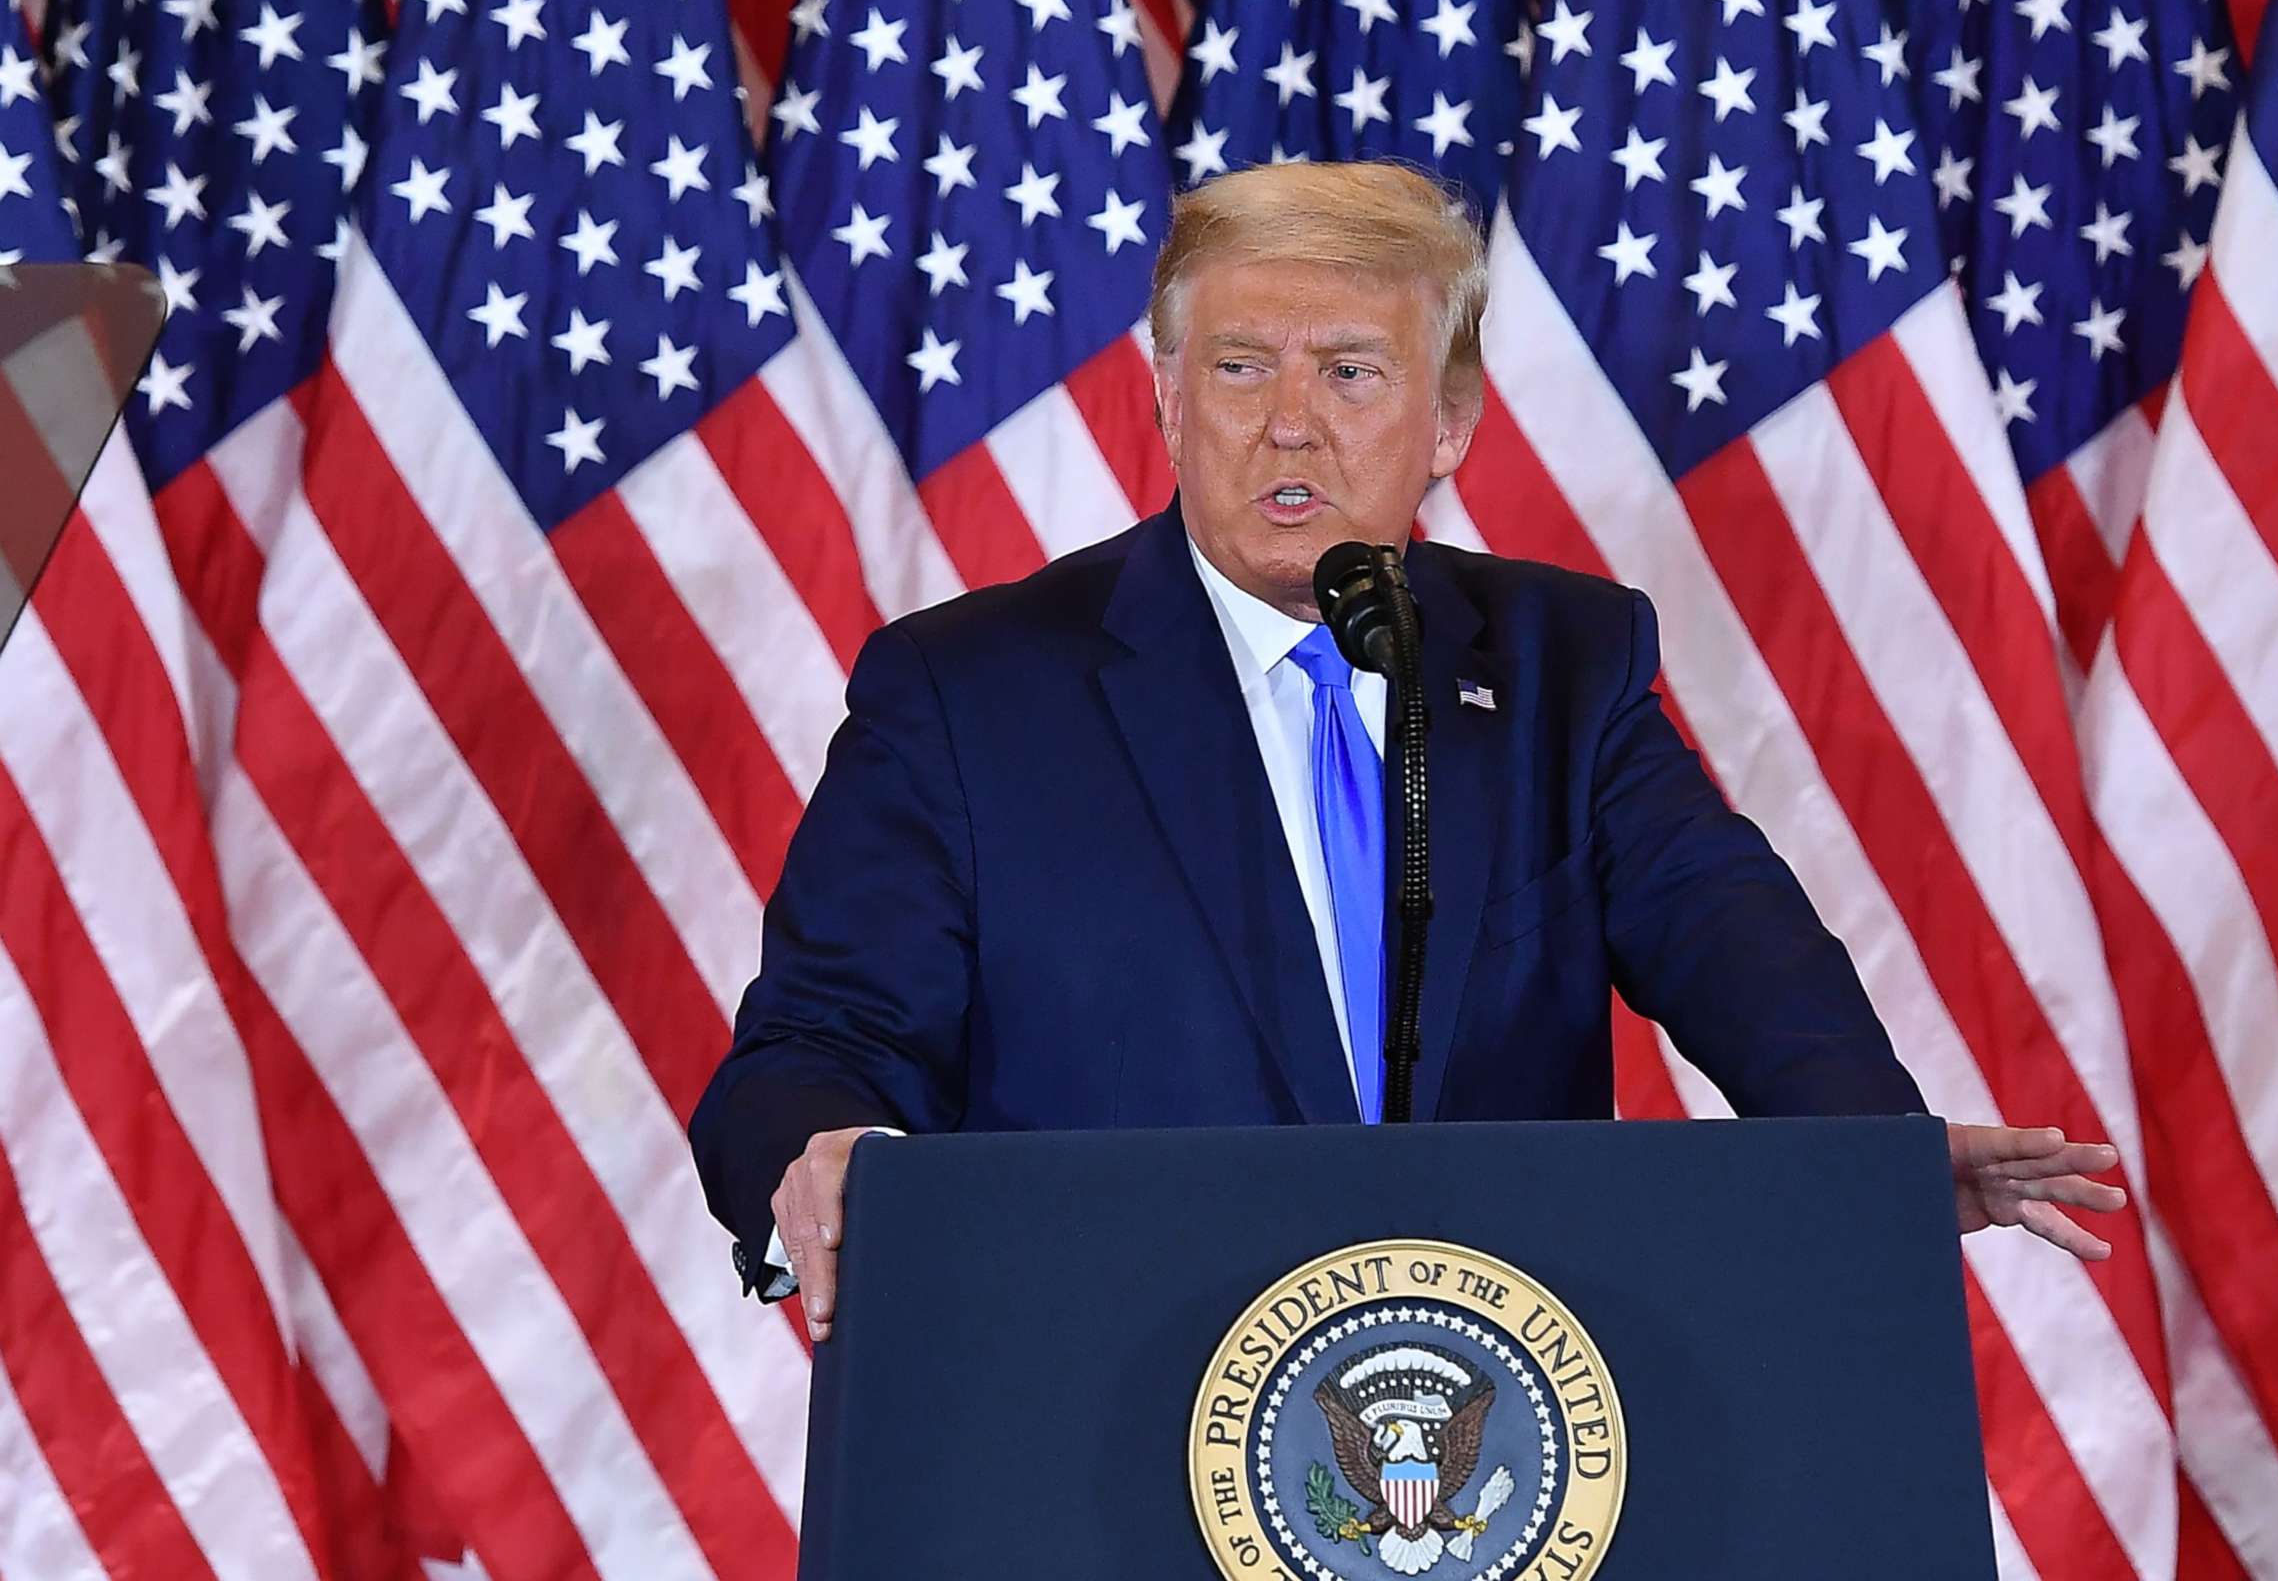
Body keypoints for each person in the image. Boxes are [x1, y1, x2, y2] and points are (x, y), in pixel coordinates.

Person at [688, 162, 2126, 1343]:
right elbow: (809, 1052)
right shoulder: (971, 691)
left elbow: (1746, 960)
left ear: (1450, 426)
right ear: (1171, 398)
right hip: (1106, 1390)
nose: (1288, 421)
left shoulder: (1562, 664)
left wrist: (1863, 1157)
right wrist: (830, 1156)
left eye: (1352, 373)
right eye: (1241, 366)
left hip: (1489, 1411)